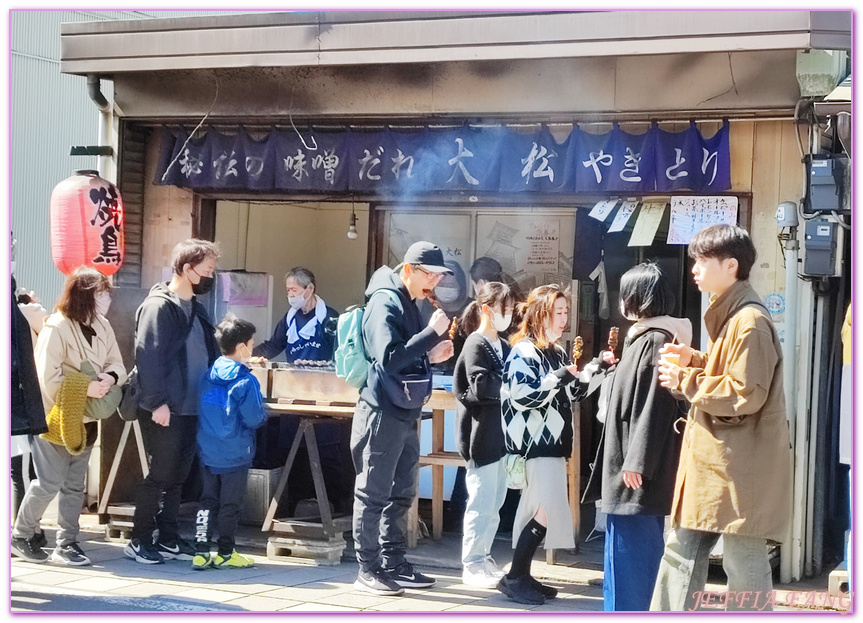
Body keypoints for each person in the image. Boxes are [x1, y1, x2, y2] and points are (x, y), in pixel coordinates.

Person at [650, 225, 792, 612]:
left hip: (738, 468)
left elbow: (745, 393)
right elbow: (731, 375)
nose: (694, 268)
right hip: (721, 464)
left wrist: (687, 377)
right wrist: (695, 360)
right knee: (682, 553)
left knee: (741, 560)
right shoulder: (734, 314)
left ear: (730, 266)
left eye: (702, 261)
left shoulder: (749, 321)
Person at [582, 262, 691, 611]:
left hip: (636, 467)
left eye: (625, 292)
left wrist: (638, 460)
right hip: (632, 463)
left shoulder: (655, 339)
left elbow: (653, 406)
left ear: (637, 298)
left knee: (633, 554)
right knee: (622, 550)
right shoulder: (648, 336)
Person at [351, 241, 455, 596]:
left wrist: (432, 353)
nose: (435, 285)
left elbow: (407, 356)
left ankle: (394, 561)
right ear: (408, 270)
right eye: (431, 276)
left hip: (405, 408)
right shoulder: (385, 300)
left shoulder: (410, 300)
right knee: (374, 492)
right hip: (382, 409)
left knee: (403, 491)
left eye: (439, 278)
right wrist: (431, 335)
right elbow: (389, 358)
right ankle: (367, 567)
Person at [12, 267, 126, 566]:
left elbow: (118, 362)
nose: (106, 301)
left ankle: (68, 542)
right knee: (49, 482)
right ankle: (21, 534)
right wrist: (85, 386)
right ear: (84, 296)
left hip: (89, 419)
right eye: (100, 294)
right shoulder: (57, 327)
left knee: (75, 485)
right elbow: (45, 378)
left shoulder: (102, 325)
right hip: (58, 418)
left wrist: (110, 379)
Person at [125, 239, 221, 565]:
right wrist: (156, 403)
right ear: (186, 269)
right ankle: (139, 538)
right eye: (206, 270)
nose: (210, 276)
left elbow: (211, 351)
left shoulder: (198, 308)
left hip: (194, 405)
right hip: (167, 406)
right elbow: (148, 358)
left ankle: (167, 537)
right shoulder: (158, 307)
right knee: (160, 474)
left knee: (179, 476)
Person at [498, 284, 585, 605]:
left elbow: (572, 394)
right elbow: (523, 396)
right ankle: (515, 576)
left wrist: (597, 371)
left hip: (552, 444)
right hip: (534, 444)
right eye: (557, 312)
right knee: (544, 510)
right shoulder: (524, 351)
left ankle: (521, 574)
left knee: (543, 509)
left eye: (565, 312)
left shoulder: (556, 351)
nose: (563, 319)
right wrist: (558, 377)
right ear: (539, 315)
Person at [452, 282, 517, 587]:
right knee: (480, 501)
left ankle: (485, 556)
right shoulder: (475, 344)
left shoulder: (503, 346)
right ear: (488, 310)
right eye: (504, 308)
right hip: (480, 436)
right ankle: (472, 562)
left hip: (501, 436)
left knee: (495, 503)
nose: (509, 314)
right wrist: (508, 384)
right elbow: (479, 387)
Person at [192, 314, 267, 570]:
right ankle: (225, 552)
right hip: (236, 453)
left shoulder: (207, 374)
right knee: (230, 505)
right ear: (242, 346)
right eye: (252, 342)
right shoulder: (246, 381)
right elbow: (255, 418)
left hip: (207, 450)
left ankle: (200, 551)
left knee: (207, 501)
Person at [10, 275, 48, 548]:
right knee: (23, 471)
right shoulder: (27, 311)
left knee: (20, 472)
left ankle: (25, 529)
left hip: (20, 402)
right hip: (20, 402)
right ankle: (25, 531)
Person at [253, 267, 338, 363]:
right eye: (288, 290)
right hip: (294, 376)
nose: (290, 295)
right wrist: (246, 356)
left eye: (294, 290)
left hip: (322, 376)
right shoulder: (289, 318)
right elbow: (274, 345)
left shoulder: (329, 317)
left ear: (310, 289)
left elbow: (339, 350)